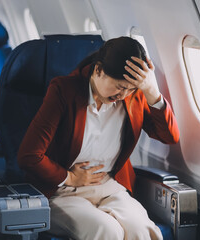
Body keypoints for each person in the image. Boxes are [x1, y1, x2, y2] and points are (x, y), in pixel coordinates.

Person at [18, 36, 180, 240]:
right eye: (119, 86)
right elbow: (29, 155)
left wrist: (151, 92)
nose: (123, 94)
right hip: (62, 191)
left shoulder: (134, 97)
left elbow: (169, 136)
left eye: (131, 89)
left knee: (142, 230)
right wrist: (69, 177)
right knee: (107, 231)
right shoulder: (63, 91)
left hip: (108, 186)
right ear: (98, 70)